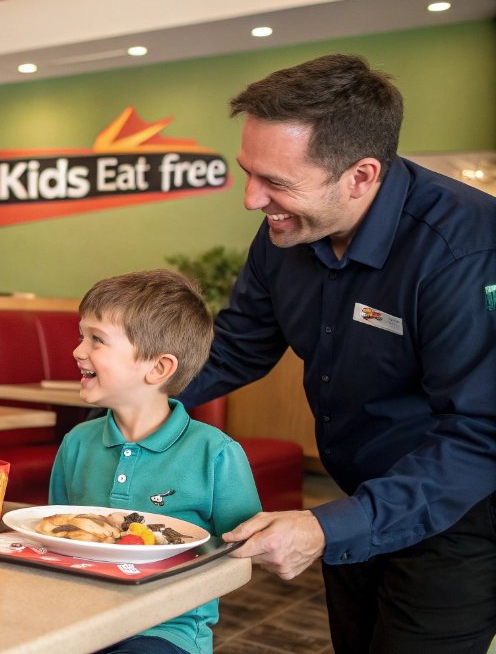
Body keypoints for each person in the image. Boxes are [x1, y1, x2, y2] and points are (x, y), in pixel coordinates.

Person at [178, 54, 496, 653]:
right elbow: (238, 347)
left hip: (458, 516)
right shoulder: (287, 229)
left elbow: (480, 436)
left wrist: (328, 527)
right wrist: (141, 394)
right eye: (249, 171)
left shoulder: (465, 252)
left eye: (276, 181)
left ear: (360, 175)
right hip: (354, 499)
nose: (252, 199)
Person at [50, 269, 261, 654]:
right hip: (78, 617)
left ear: (159, 368)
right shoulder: (77, 443)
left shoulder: (215, 453)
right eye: (81, 336)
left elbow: (241, 554)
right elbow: (56, 534)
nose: (79, 351)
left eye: (97, 339)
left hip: (167, 629)